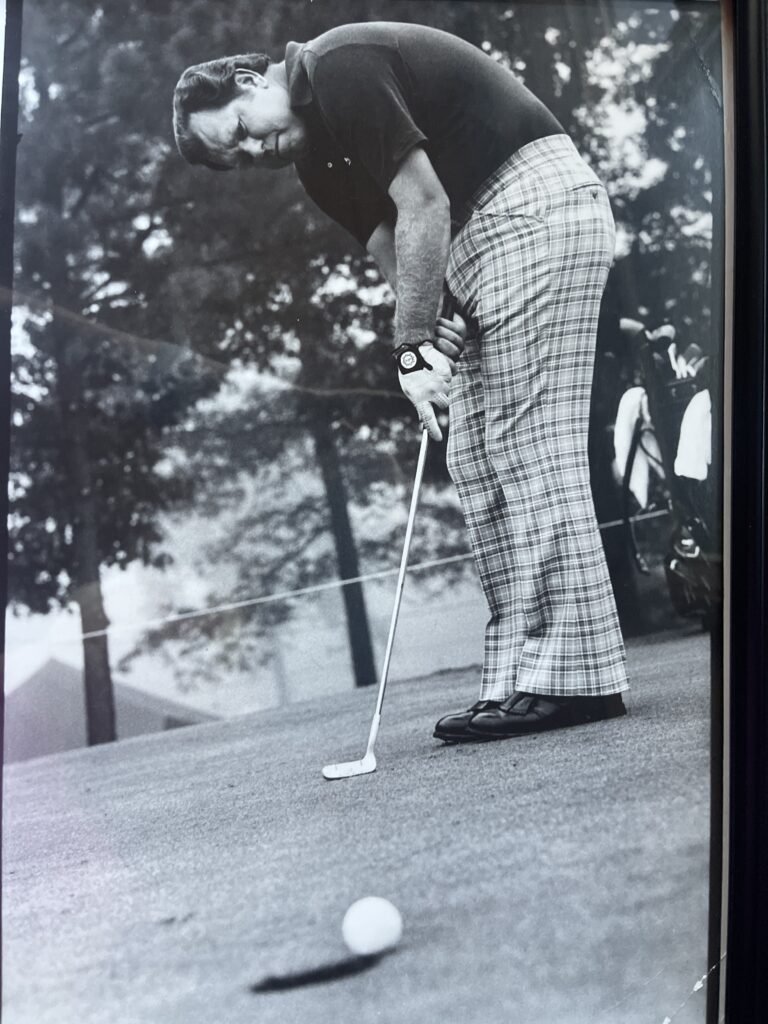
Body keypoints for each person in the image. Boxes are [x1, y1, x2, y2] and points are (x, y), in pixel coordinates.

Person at [173, 21, 629, 742]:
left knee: (525, 443)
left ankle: (573, 680)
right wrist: (431, 316)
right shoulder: (315, 164)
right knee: (476, 457)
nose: (257, 152)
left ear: (250, 83)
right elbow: (390, 244)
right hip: (478, 237)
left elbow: (424, 203)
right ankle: (518, 677)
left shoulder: (337, 68)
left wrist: (412, 346)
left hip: (534, 206)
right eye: (240, 159)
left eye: (243, 131)